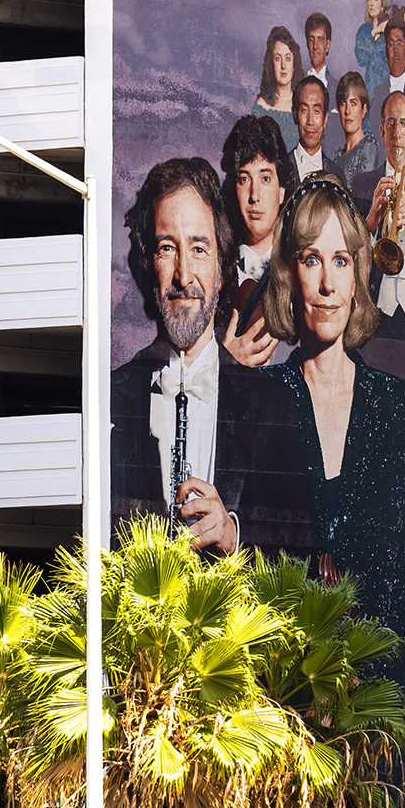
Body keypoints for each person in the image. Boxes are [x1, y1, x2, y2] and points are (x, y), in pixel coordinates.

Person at [259, 173, 405, 690]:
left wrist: (365, 687)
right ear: (291, 274)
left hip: (377, 725)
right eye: (312, 259)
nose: (329, 286)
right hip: (275, 708)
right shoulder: (258, 405)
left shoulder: (404, 416)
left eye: (341, 261)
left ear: (358, 277)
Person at [109, 157, 312, 557]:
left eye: (199, 249)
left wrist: (234, 537)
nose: (184, 276)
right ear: (150, 263)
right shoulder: (112, 398)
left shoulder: (275, 406)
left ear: (222, 271)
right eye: (168, 248)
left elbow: (302, 554)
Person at [353, 92, 405, 343]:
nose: (397, 131)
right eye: (390, 123)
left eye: (404, 123)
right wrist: (370, 222)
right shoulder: (362, 184)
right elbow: (349, 256)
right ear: (381, 131)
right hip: (376, 308)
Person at [220, 113, 293, 368]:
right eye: (244, 179)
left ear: (282, 189)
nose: (254, 196)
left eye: (265, 178)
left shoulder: (304, 267)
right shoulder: (214, 269)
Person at [249, 25, 303, 156]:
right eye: (278, 58)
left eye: (288, 58)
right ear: (271, 64)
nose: (283, 66)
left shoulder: (303, 103)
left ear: (294, 65)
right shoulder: (262, 106)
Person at [334, 71, 380, 194]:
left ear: (364, 110)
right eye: (343, 103)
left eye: (353, 103)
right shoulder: (337, 154)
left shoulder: (368, 145)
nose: (347, 111)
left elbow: (364, 196)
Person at [290, 75, 331, 181]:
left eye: (316, 111)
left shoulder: (336, 173)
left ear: (325, 119)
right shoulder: (279, 169)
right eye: (304, 110)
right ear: (295, 115)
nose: (310, 121)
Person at [352, 0, 390, 82]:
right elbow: (362, 60)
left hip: (388, 87)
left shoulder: (389, 30)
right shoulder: (363, 31)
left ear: (382, 5)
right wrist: (374, 33)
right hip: (370, 87)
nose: (371, 3)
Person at [304, 12, 335, 88]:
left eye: (320, 39)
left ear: (327, 45)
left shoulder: (337, 88)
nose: (315, 46)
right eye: (311, 39)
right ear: (307, 43)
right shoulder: (296, 83)